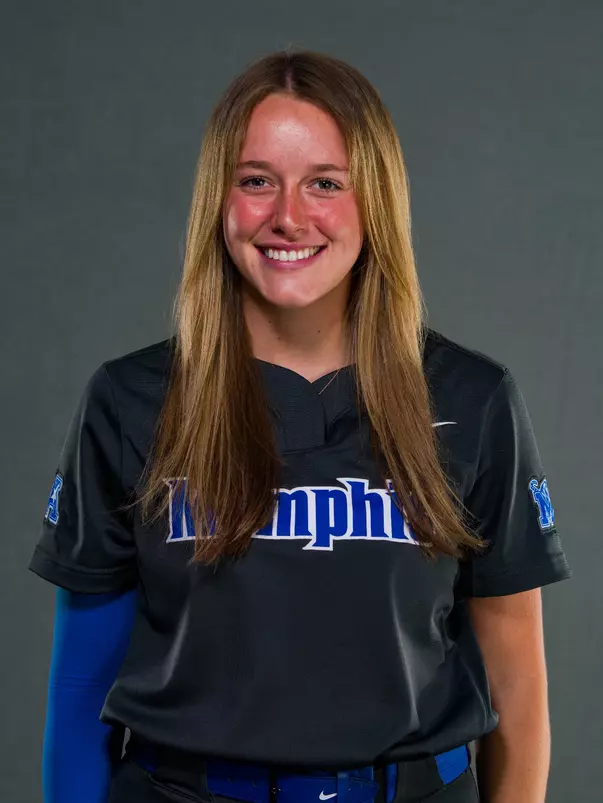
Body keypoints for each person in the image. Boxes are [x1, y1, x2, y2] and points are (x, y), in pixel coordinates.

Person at [29, 49, 572, 803]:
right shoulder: (132, 398)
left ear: (373, 200)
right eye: (256, 181)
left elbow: (515, 674)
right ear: (219, 200)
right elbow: (82, 684)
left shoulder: (470, 396)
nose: (288, 215)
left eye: (325, 183)